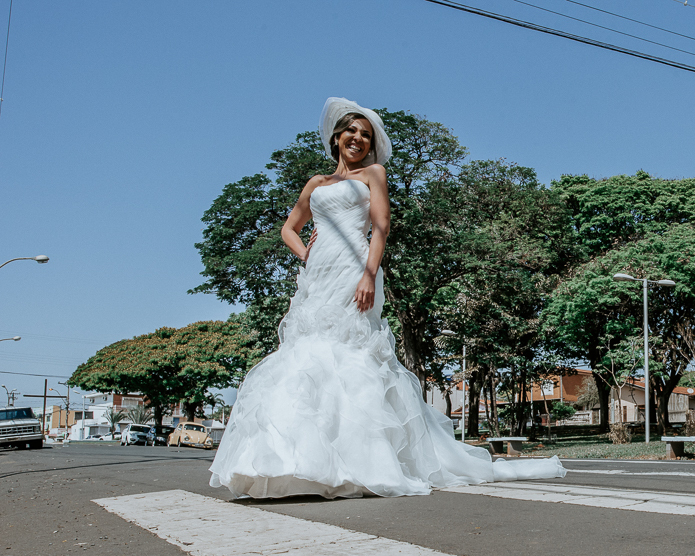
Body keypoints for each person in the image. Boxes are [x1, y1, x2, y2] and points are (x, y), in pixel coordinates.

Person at [209, 97, 566, 499]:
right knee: (306, 352)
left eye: (366, 135)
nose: (358, 139)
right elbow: (289, 228)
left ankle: (358, 464)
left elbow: (380, 228)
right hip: (319, 274)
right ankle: (296, 464)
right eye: (352, 132)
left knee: (349, 352)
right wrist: (306, 252)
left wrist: (368, 275)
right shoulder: (316, 183)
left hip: (353, 269)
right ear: (336, 137)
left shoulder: (373, 174)